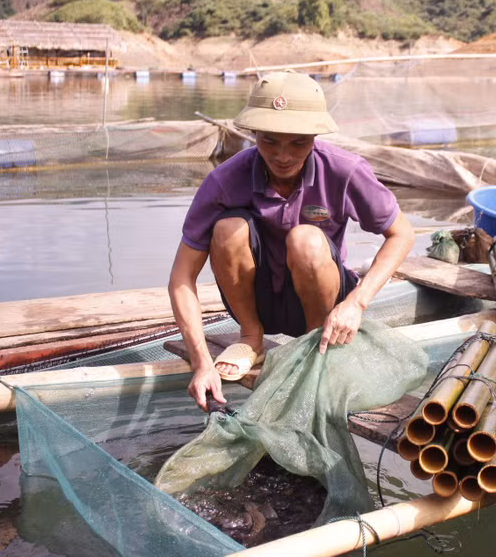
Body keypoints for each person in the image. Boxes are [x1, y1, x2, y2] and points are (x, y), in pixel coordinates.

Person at [168, 70, 414, 411]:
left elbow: (401, 233)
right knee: (227, 230)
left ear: (315, 135)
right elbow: (181, 278)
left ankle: (316, 346)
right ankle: (251, 339)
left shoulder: (345, 171)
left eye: (298, 142)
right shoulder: (224, 180)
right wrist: (201, 363)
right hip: (260, 302)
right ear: (253, 134)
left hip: (322, 302)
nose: (283, 156)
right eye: (269, 141)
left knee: (306, 240)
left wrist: (356, 303)